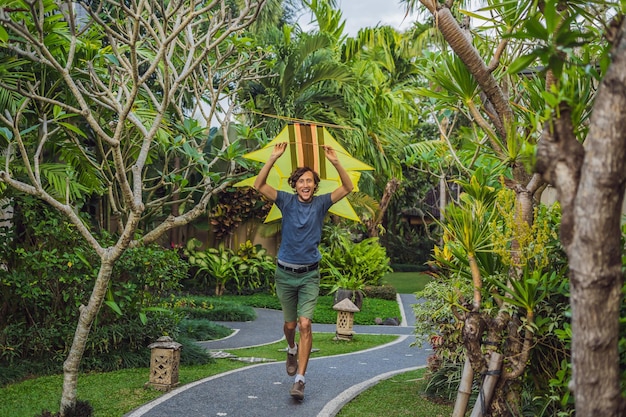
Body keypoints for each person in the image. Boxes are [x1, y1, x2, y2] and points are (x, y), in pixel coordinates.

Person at [253, 141, 354, 400]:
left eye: (310, 181)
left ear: (314, 185)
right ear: (295, 185)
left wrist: (335, 162)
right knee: (289, 326)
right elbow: (259, 186)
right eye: (301, 181)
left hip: (309, 274)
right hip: (285, 274)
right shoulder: (286, 201)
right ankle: (290, 347)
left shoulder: (321, 204)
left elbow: (347, 187)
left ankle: (300, 379)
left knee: (305, 323)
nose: (306, 185)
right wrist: (273, 157)